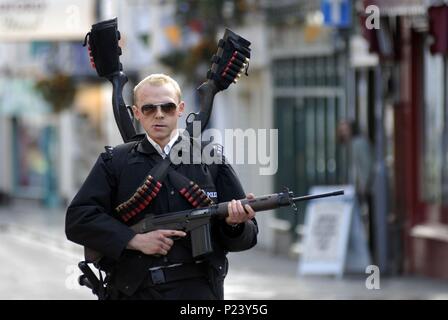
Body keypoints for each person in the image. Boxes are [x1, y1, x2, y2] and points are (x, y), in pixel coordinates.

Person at [65, 74, 258, 300]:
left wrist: (234, 226)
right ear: (137, 113)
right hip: (136, 290)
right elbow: (78, 219)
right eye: (149, 108)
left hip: (198, 291)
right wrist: (133, 240)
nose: (159, 114)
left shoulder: (210, 159)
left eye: (167, 107)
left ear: (180, 109)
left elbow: (249, 236)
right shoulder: (115, 162)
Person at [337, 119, 374, 255]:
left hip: (363, 190)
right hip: (354, 189)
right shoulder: (347, 145)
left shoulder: (358, 143)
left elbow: (365, 166)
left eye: (345, 128)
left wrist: (363, 186)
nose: (343, 132)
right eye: (341, 129)